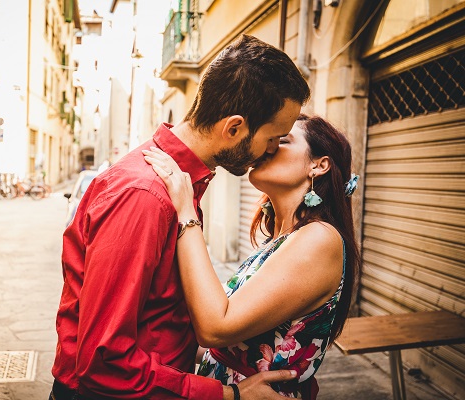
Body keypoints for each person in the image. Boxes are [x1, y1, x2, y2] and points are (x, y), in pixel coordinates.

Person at [50, 34, 310, 400]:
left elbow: (157, 315)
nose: (272, 151)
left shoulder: (179, 184)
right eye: (273, 137)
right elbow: (103, 359)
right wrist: (226, 395)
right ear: (233, 128)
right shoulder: (145, 196)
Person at [142, 114, 361, 399]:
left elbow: (215, 328)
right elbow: (228, 346)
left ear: (318, 165)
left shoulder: (319, 238)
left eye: (282, 140)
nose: (268, 147)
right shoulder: (281, 240)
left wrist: (186, 211)